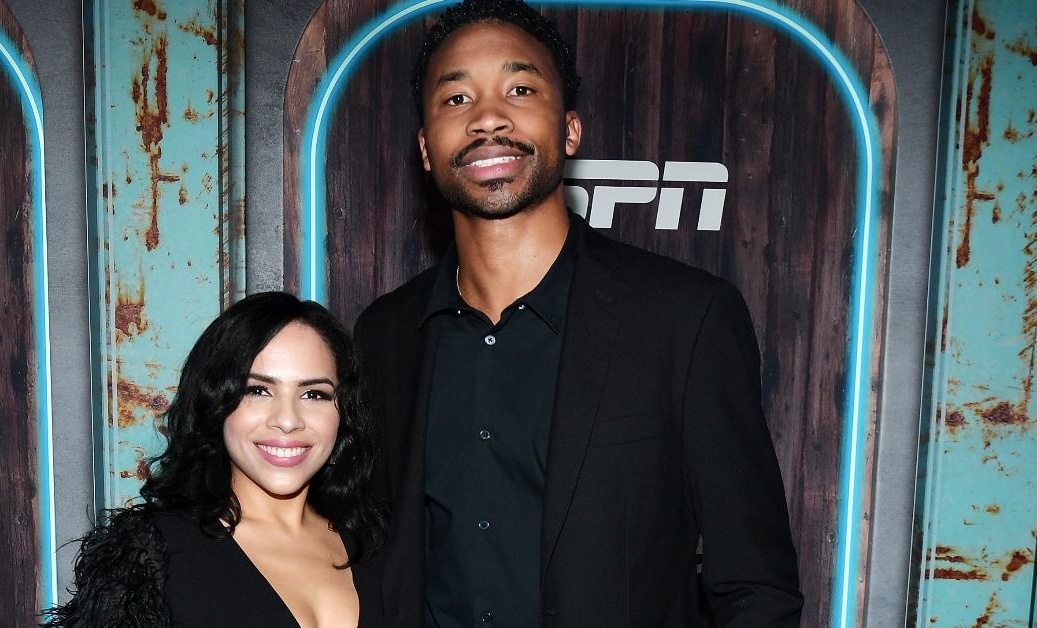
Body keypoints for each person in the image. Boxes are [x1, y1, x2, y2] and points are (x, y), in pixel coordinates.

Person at [353, 1, 803, 626]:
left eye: (519, 88)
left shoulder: (686, 318)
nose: (487, 117)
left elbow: (756, 587)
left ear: (569, 130)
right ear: (426, 148)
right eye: (457, 99)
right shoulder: (385, 335)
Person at [45, 292, 384, 627]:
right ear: (216, 403)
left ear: (344, 412)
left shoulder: (377, 545)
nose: (287, 419)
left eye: (313, 394)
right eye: (258, 390)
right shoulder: (153, 557)